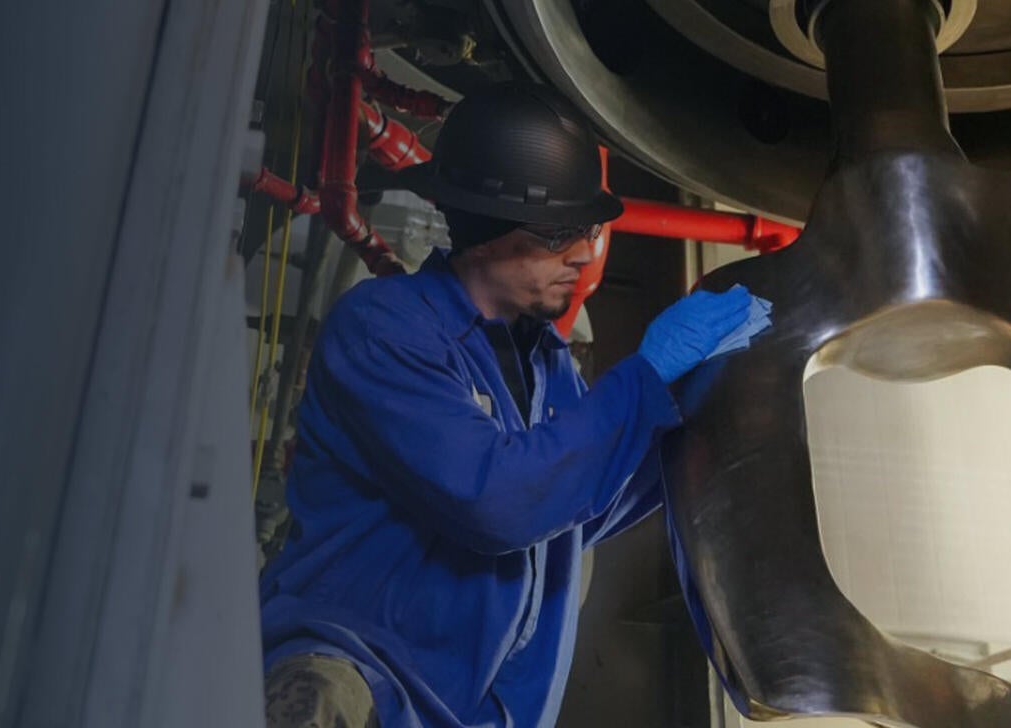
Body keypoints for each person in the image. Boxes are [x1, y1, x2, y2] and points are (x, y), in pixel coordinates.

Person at [258, 83, 770, 728]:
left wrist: (701, 403)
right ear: (483, 228)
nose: (583, 253)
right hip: (361, 687)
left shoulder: (545, 365)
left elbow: (571, 513)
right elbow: (497, 503)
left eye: (586, 228)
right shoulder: (387, 330)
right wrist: (642, 378)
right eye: (559, 233)